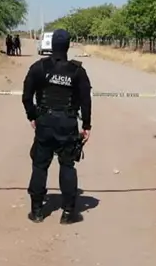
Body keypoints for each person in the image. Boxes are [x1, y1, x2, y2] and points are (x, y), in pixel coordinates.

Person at [22, 29, 92, 224]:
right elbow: (86, 101)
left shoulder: (39, 68)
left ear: (52, 45)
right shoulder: (78, 72)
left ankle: (36, 211)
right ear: (68, 46)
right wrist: (86, 125)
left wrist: (33, 116)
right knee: (67, 165)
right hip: (67, 124)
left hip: (45, 122)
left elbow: (26, 96)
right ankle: (68, 213)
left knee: (39, 165)